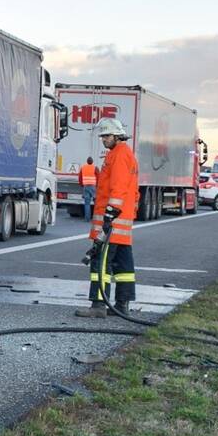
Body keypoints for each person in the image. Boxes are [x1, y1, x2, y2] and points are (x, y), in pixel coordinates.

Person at [75, 118, 138, 318]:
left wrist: (110, 214)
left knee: (100, 262)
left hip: (112, 220)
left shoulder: (118, 155)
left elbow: (118, 187)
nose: (104, 140)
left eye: (107, 136)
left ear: (117, 135)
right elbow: (133, 192)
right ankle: (122, 305)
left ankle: (98, 306)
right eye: (102, 136)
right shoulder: (124, 154)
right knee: (123, 265)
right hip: (122, 222)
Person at [79, 156, 98, 221]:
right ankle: (96, 217)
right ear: (92, 162)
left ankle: (87, 218)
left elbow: (80, 178)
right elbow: (99, 177)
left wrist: (82, 185)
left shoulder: (83, 168)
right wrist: (98, 186)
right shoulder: (95, 168)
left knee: (87, 203)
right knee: (96, 203)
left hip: (86, 186)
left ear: (87, 162)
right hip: (93, 187)